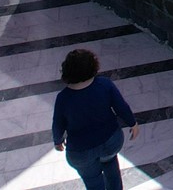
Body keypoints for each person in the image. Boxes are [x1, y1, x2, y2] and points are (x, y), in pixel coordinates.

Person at [52, 48, 138, 190]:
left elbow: (58, 125)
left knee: (92, 181)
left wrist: (58, 141)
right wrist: (132, 124)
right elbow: (121, 106)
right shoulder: (104, 84)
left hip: (81, 151)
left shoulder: (63, 98)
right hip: (111, 141)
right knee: (111, 164)